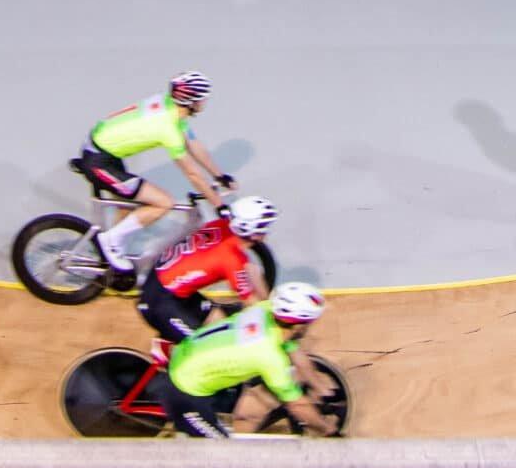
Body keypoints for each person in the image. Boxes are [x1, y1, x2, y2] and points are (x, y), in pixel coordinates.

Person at [76, 72, 233, 277]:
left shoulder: (171, 106)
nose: (204, 102)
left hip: (103, 150)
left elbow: (193, 144)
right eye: (202, 98)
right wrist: (219, 205)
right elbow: (192, 174)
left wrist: (219, 175)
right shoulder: (167, 127)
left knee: (127, 204)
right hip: (98, 162)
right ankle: (110, 242)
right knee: (163, 202)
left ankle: (109, 254)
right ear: (191, 101)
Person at [151, 283, 336, 443]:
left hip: (186, 355)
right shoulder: (269, 357)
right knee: (224, 455)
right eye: (310, 322)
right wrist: (327, 430)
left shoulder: (264, 309)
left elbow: (292, 347)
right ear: (299, 325)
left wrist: (316, 383)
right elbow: (297, 405)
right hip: (183, 391)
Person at [137, 196, 277, 348]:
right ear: (254, 232)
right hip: (159, 301)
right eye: (265, 226)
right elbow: (250, 302)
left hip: (169, 287)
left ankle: (166, 346)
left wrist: (267, 302)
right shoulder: (232, 259)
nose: (267, 231)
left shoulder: (221, 225)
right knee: (205, 346)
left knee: (220, 325)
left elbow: (251, 271)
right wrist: (277, 319)